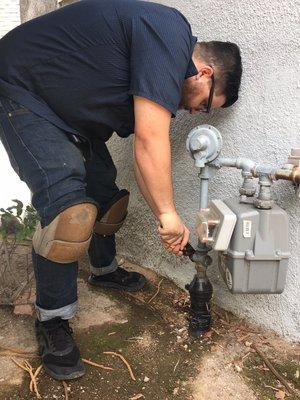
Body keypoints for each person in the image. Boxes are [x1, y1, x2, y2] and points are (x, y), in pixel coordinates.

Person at [0, 0, 242, 380]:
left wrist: (168, 219)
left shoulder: (158, 61)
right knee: (69, 210)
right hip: (21, 89)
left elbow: (143, 159)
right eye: (206, 106)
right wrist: (168, 214)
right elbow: (149, 140)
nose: (197, 113)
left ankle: (103, 270)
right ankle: (53, 322)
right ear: (204, 74)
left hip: (67, 113)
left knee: (107, 199)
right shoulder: (169, 32)